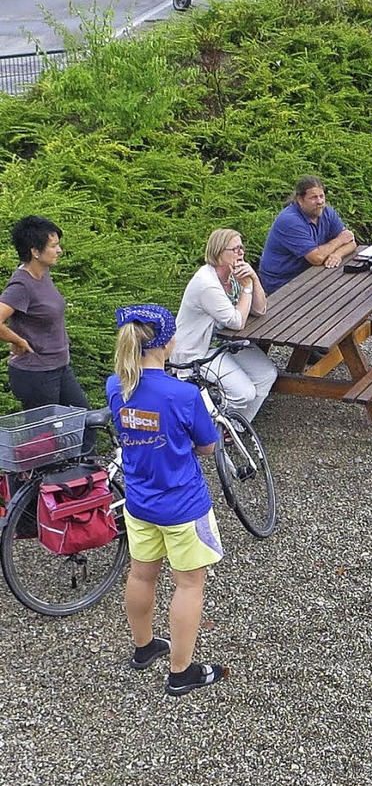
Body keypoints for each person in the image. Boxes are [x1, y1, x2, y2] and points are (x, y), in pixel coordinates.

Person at [106, 304, 228, 697]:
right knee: (189, 585)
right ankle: (181, 672)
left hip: (140, 502)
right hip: (182, 504)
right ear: (165, 342)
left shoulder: (116, 386)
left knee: (142, 574)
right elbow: (208, 446)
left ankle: (144, 648)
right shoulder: (184, 394)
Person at [0, 216, 92, 445]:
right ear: (35, 251)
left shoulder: (42, 274)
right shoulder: (22, 284)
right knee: (43, 442)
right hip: (35, 373)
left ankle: (86, 478)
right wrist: (18, 341)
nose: (59, 250)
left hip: (59, 367)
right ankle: (41, 481)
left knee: (86, 422)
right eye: (53, 246)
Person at [172, 229, 276, 423]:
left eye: (241, 248)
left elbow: (260, 310)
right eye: (235, 249)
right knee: (244, 392)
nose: (241, 253)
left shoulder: (234, 276)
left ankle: (236, 427)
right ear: (219, 253)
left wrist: (253, 279)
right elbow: (237, 322)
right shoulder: (207, 284)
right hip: (199, 349)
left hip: (225, 342)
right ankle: (209, 428)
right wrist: (246, 287)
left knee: (266, 374)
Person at [259, 176, 357, 294]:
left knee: (352, 287)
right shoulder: (290, 221)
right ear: (300, 200)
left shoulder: (326, 211)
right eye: (314, 198)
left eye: (322, 196)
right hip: (282, 281)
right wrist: (339, 240)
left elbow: (351, 242)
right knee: (336, 294)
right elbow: (316, 258)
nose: (320, 201)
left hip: (309, 273)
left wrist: (337, 254)